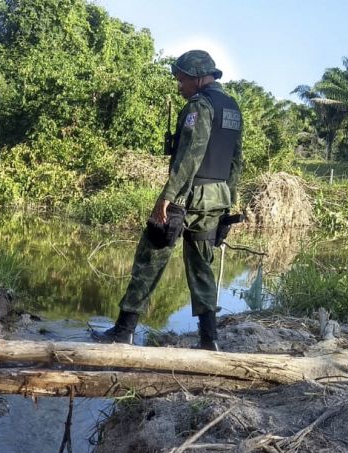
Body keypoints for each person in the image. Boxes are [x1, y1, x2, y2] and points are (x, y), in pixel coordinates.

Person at [91, 50, 242, 351]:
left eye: (182, 79)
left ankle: (124, 331)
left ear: (198, 77)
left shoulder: (199, 106)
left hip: (188, 196)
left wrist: (168, 196)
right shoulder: (232, 108)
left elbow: (190, 155)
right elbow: (236, 159)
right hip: (217, 198)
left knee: (150, 255)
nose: (179, 85)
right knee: (202, 267)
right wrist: (230, 201)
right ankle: (209, 340)